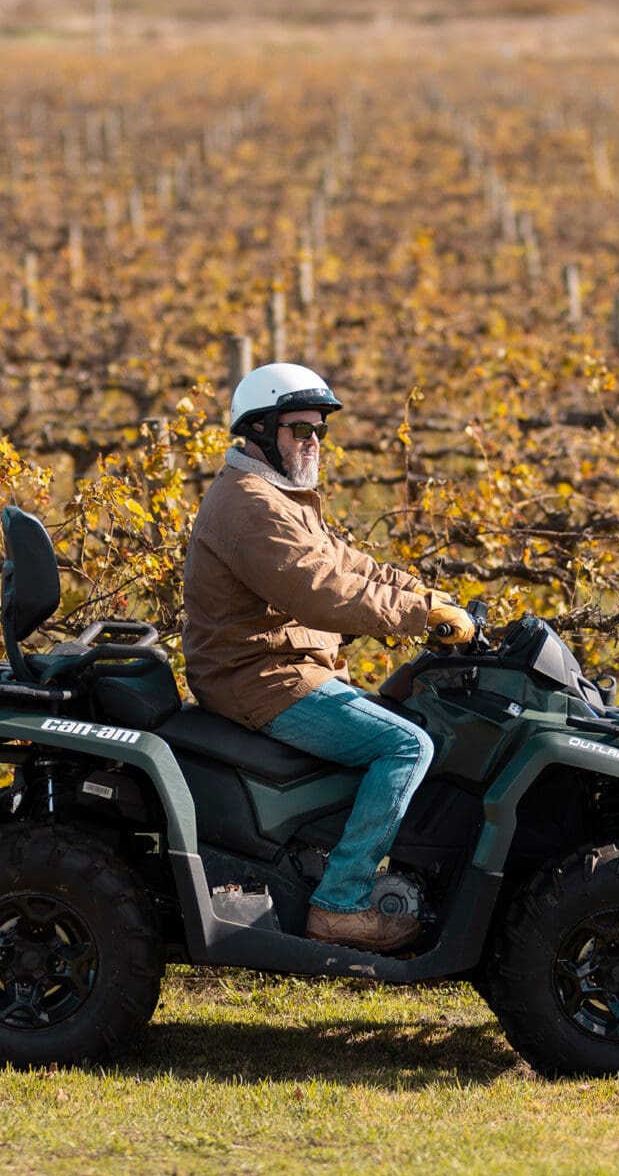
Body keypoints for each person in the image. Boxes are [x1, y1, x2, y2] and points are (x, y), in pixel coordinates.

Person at [182, 362, 474, 953]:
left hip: (286, 668)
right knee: (406, 744)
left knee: (410, 712)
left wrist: (424, 594)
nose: (313, 440)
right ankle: (339, 903)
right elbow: (318, 589)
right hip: (259, 678)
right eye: (299, 428)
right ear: (261, 431)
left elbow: (346, 561)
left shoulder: (280, 493)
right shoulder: (250, 505)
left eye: (319, 429)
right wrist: (417, 619)